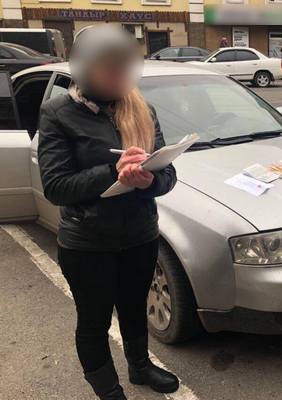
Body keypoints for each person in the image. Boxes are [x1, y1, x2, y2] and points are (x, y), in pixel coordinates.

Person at [37, 25, 179, 400]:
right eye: (109, 69)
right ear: (85, 70)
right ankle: (108, 389)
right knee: (94, 321)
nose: (119, 76)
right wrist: (111, 172)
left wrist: (148, 180)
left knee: (134, 308)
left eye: (124, 68)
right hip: (88, 244)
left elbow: (168, 176)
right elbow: (56, 187)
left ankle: (140, 366)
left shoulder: (143, 108)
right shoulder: (57, 113)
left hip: (140, 236)